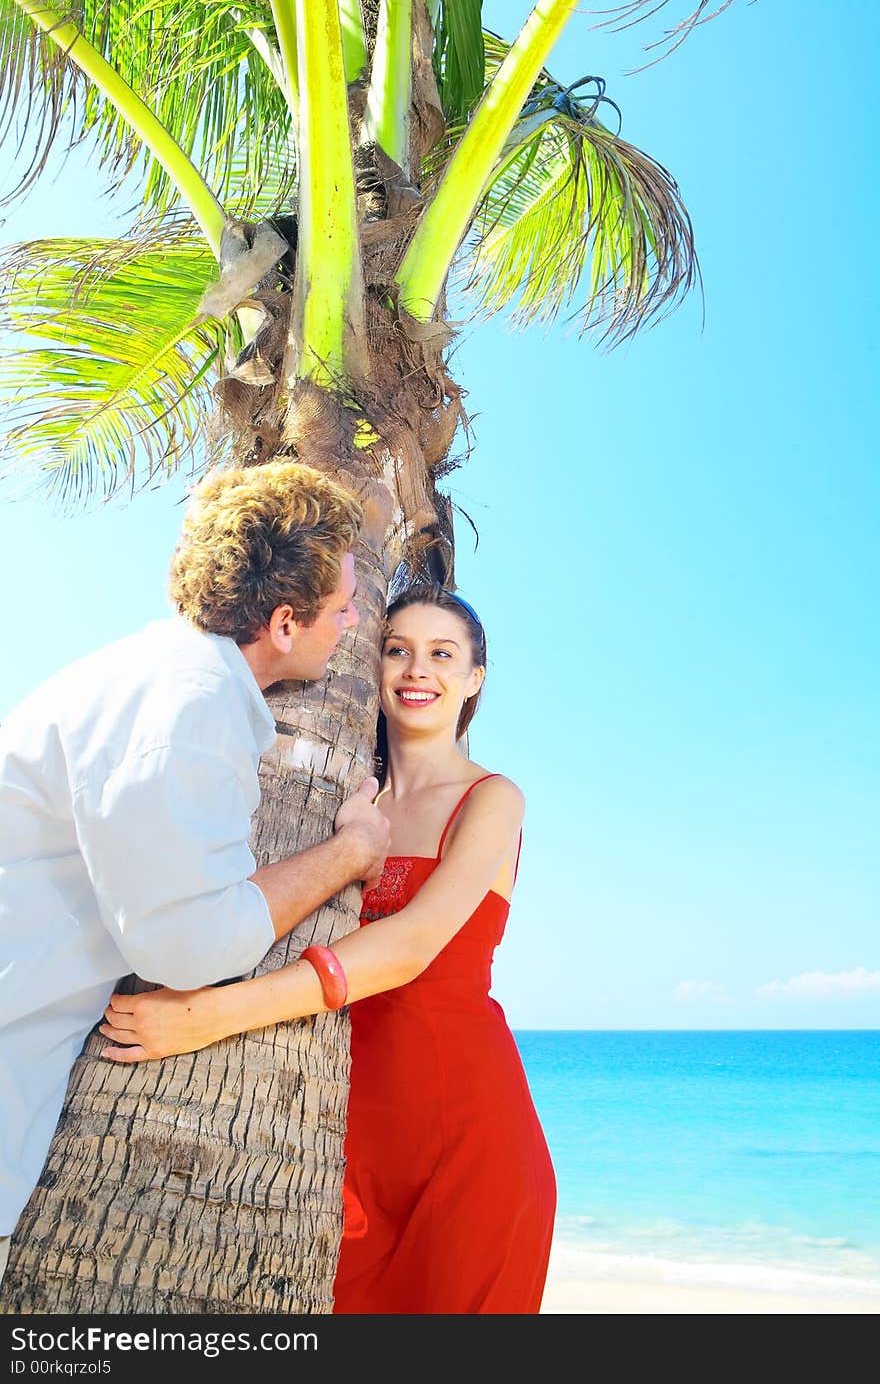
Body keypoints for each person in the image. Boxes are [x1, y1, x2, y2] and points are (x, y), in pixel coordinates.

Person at [98, 582, 558, 1314]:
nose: (417, 670)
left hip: (471, 1138)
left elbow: (409, 947)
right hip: (334, 1136)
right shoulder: (336, 799)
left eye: (443, 654)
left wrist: (210, 1014)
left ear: (474, 680)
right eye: (398, 649)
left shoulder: (493, 799)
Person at [0, 460, 391, 1291]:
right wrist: (349, 855)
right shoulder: (188, 708)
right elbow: (190, 944)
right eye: (343, 603)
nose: (355, 617)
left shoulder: (161, 677)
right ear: (285, 623)